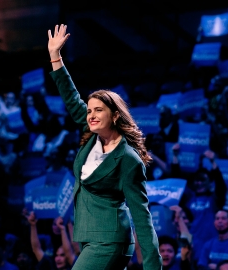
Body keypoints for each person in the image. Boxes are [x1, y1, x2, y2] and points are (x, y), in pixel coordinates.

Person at [47, 24, 162, 269]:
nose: (91, 115)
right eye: (89, 111)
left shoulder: (128, 158)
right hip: (89, 239)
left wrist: (153, 266)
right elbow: (70, 97)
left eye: (98, 110)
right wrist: (55, 58)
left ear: (116, 115)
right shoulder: (90, 137)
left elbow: (142, 217)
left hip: (109, 242)